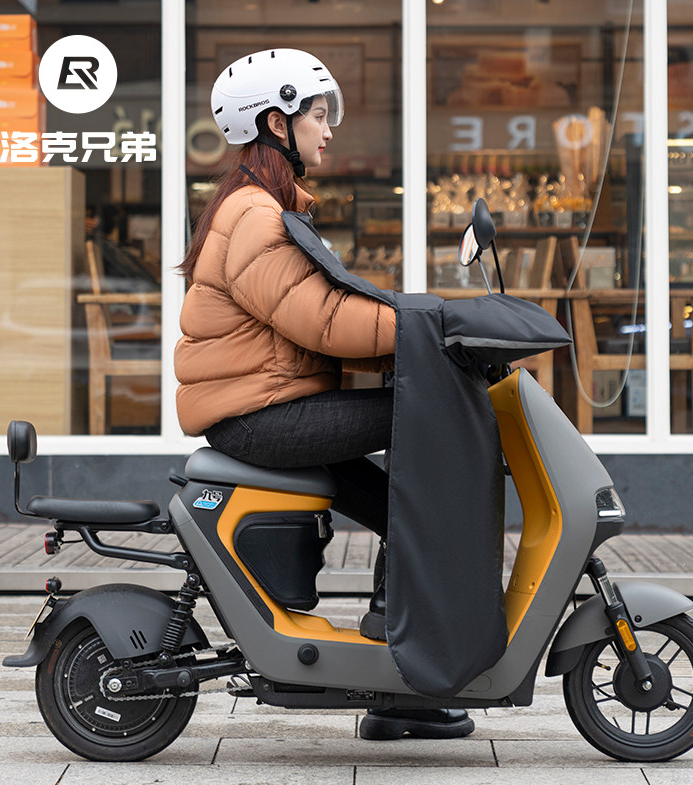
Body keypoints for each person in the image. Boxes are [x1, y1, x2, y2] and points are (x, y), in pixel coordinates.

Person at [174, 48, 473, 741]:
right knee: (431, 417)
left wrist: (414, 325)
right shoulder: (256, 215)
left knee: (403, 506)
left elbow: (320, 316)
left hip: (272, 408)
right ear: (276, 123)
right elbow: (323, 321)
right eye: (317, 113)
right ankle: (399, 657)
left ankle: (400, 678)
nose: (328, 128)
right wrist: (436, 324)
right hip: (262, 418)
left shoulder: (259, 207)